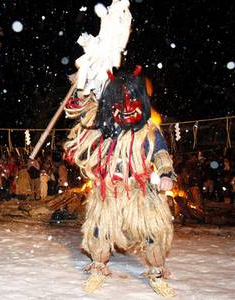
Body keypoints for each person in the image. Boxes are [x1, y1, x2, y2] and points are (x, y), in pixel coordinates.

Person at [64, 67, 176, 297]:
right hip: (109, 190)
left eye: (132, 100)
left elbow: (161, 153)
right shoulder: (103, 127)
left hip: (140, 190)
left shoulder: (148, 131)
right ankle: (98, 267)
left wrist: (165, 174)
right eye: (119, 102)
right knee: (99, 230)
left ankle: (156, 272)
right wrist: (83, 84)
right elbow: (82, 107)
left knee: (153, 231)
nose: (126, 108)